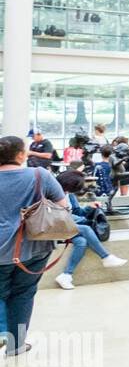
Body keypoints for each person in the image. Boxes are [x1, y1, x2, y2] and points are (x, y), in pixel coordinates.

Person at [0, 135, 71, 353]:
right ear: (21, 155)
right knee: (23, 293)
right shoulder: (40, 175)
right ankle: (16, 345)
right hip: (34, 248)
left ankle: (2, 332)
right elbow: (64, 206)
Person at [53, 170, 128, 289]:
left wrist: (89, 207)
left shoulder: (70, 195)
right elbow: (55, 216)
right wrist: (79, 219)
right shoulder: (51, 194)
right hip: (53, 228)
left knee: (82, 242)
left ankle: (66, 275)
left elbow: (77, 212)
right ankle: (106, 256)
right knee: (85, 229)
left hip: (67, 227)